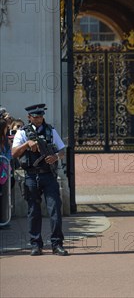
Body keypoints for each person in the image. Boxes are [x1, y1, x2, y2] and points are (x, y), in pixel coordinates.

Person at [11, 104, 68, 256]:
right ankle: (36, 245)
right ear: (29, 118)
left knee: (55, 209)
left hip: (48, 175)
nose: (38, 120)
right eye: (35, 117)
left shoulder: (50, 130)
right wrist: (26, 144)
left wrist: (55, 156)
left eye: (40, 117)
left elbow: (62, 150)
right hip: (31, 176)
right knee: (33, 211)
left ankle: (57, 244)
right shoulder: (22, 133)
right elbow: (14, 153)